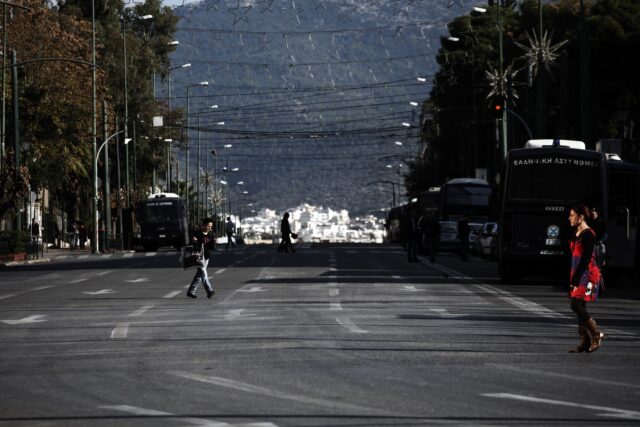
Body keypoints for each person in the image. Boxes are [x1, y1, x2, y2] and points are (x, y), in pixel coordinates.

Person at [568, 204, 605, 353]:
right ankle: (585, 341)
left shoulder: (589, 235)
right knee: (580, 306)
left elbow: (585, 259)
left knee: (575, 305)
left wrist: (575, 279)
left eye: (572, 215)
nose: (569, 218)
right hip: (578, 273)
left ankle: (597, 335)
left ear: (580, 217)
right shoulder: (576, 232)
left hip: (588, 275)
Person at [187, 218, 216, 299]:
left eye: (210, 226)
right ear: (203, 225)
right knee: (204, 274)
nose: (209, 228)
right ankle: (209, 291)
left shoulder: (211, 234)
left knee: (199, 276)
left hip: (206, 257)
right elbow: (192, 244)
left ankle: (191, 291)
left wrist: (213, 242)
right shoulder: (197, 233)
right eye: (208, 226)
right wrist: (194, 241)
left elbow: (211, 247)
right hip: (198, 257)